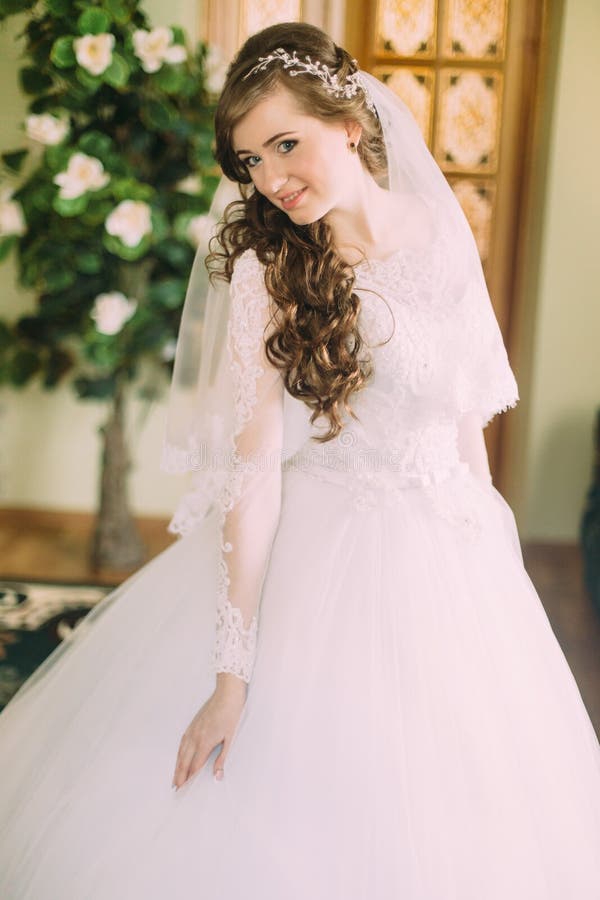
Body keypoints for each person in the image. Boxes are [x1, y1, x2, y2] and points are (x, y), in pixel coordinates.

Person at [1, 20, 600, 900]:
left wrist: (495, 560)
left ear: (349, 125)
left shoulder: (441, 232)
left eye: (287, 144)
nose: (271, 180)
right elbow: (253, 477)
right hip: (324, 545)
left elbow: (465, 417)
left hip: (450, 543)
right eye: (249, 162)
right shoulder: (265, 273)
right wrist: (231, 677)